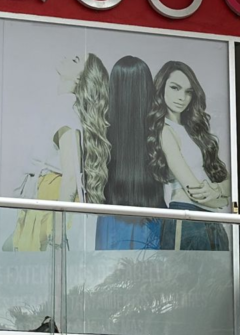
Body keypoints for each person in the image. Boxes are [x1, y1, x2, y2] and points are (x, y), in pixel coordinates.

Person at [5, 54, 110, 252]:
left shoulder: (65, 110)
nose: (67, 57)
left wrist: (58, 232)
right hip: (45, 196)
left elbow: (70, 176)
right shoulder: (65, 107)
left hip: (51, 196)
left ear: (79, 78)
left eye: (76, 60)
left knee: (32, 260)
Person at [149, 61, 231, 251]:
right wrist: (223, 197)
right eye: (175, 88)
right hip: (186, 219)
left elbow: (229, 182)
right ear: (161, 88)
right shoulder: (165, 131)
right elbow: (196, 192)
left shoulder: (195, 131)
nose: (182, 97)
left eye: (188, 92)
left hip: (210, 220)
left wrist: (219, 190)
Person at [95, 56, 164, 250]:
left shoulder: (102, 129)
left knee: (109, 269)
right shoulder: (158, 129)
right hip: (152, 217)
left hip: (112, 220)